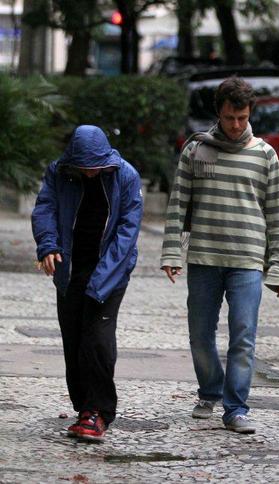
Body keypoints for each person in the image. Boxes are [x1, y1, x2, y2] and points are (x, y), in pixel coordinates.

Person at [160, 76, 279, 433]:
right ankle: (210, 388)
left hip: (247, 260)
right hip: (203, 257)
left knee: (243, 335)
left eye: (243, 118)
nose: (236, 125)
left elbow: (277, 213)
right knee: (200, 335)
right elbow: (177, 204)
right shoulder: (196, 150)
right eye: (231, 117)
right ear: (219, 112)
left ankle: (236, 408)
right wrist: (171, 251)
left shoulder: (265, 155)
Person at [31, 125, 144, 442]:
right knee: (74, 339)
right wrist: (48, 246)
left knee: (97, 339)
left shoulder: (126, 176)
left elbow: (127, 233)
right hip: (70, 268)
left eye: (95, 167)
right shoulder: (59, 172)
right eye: (85, 168)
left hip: (110, 269)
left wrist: (101, 280)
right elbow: (45, 208)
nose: (90, 173)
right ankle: (84, 408)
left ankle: (99, 412)